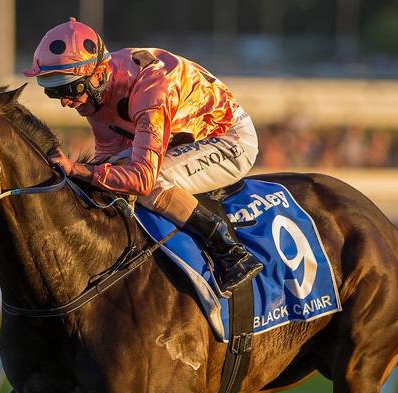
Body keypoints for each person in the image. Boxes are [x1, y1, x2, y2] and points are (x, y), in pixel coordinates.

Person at [24, 18, 263, 296]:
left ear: (98, 74)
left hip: (228, 139)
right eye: (53, 91)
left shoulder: (150, 90)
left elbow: (142, 180)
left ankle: (230, 252)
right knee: (112, 173)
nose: (65, 101)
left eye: (69, 88)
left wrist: (77, 169)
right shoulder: (97, 94)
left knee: (153, 183)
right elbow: (108, 158)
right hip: (185, 136)